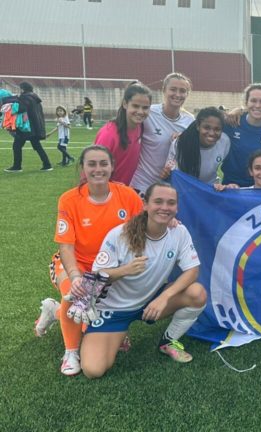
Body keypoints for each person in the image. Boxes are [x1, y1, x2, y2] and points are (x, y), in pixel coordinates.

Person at [33, 145, 144, 375]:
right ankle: (71, 352)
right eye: (91, 164)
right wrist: (75, 277)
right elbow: (65, 246)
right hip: (73, 265)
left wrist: (171, 222)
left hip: (109, 270)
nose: (98, 169)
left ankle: (53, 311)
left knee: (90, 315)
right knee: (76, 296)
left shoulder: (128, 195)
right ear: (83, 168)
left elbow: (146, 224)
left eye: (103, 163)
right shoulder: (69, 199)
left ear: (112, 166)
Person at [79, 182, 207, 378]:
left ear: (177, 208)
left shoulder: (179, 232)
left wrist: (164, 298)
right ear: (145, 204)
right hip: (112, 310)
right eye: (158, 201)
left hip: (149, 303)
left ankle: (168, 341)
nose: (164, 207)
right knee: (93, 370)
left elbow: (192, 271)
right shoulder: (120, 234)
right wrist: (125, 270)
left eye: (170, 203)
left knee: (197, 293)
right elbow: (97, 277)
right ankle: (62, 312)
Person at [131, 73, 195, 196]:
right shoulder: (149, 112)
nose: (177, 94)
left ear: (187, 94)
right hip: (142, 183)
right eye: (173, 89)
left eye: (182, 91)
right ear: (164, 91)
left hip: (169, 186)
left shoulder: (190, 121)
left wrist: (182, 140)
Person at [221, 83, 261, 187]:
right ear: (246, 102)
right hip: (232, 186)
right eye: (253, 100)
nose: (257, 105)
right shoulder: (232, 122)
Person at [94, 83, 152, 185]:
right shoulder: (109, 135)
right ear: (125, 104)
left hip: (125, 192)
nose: (140, 111)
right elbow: (94, 170)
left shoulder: (140, 126)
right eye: (135, 106)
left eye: (145, 108)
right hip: (107, 193)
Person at [165, 107, 231, 186]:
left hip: (209, 188)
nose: (211, 133)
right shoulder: (180, 143)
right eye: (206, 127)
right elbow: (170, 171)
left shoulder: (225, 141)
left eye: (217, 129)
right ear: (198, 126)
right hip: (185, 188)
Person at [4, 81, 53, 172]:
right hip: (36, 126)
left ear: (23, 89)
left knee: (17, 146)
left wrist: (13, 104)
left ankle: (17, 166)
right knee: (37, 146)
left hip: (26, 128)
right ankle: (47, 164)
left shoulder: (24, 97)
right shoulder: (35, 98)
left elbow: (21, 109)